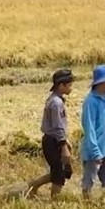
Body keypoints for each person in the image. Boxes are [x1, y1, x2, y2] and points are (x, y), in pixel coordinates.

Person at [26, 69, 75, 199]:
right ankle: (55, 201)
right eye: (69, 85)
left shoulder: (55, 100)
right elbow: (58, 126)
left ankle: (33, 185)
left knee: (59, 172)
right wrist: (63, 146)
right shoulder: (56, 103)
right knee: (59, 174)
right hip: (53, 142)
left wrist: (65, 140)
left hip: (54, 140)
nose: (71, 88)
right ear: (61, 85)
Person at [80, 64, 105, 199]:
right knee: (88, 183)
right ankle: (85, 206)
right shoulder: (91, 101)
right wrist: (95, 152)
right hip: (94, 151)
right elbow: (89, 128)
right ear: (101, 82)